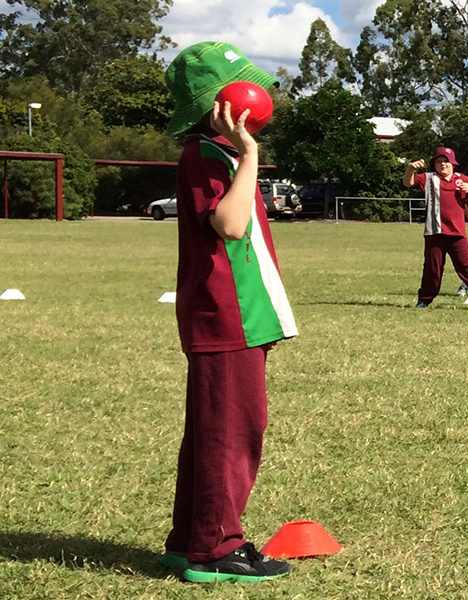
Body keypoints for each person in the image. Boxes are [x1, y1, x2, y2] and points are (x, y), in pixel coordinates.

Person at [160, 41, 298, 583]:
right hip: (226, 315)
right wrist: (253, 156)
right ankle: (217, 548)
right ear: (219, 103)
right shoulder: (205, 155)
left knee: (214, 432)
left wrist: (243, 155)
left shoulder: (221, 154)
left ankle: (187, 541)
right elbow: (231, 224)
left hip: (241, 314)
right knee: (231, 434)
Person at [401, 147, 468, 308]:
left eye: (446, 161)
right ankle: (424, 299)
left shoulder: (461, 179)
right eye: (439, 162)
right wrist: (410, 168)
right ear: (434, 165)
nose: (443, 165)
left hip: (457, 233)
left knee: (467, 268)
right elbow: (408, 182)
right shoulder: (429, 178)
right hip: (435, 232)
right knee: (433, 269)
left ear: (453, 164)